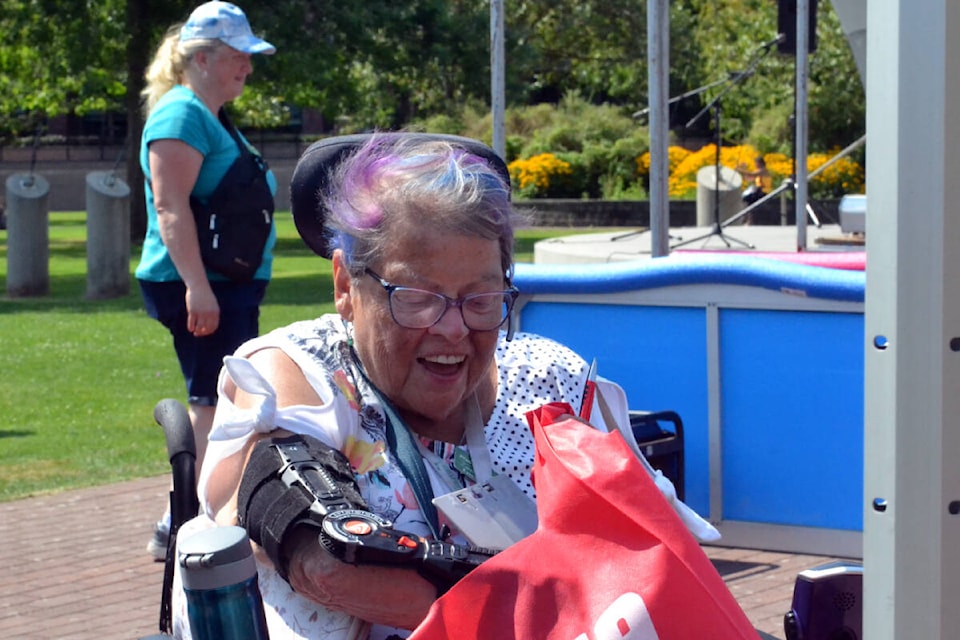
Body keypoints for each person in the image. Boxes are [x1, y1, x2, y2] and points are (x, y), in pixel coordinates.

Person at [167, 133, 635, 639]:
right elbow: (322, 559)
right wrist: (558, 607)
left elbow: (651, 542)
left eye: (481, 299)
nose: (453, 328)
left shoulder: (550, 380)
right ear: (346, 286)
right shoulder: (300, 371)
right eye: (416, 298)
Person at [135, 1, 277, 561]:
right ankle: (180, 521)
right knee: (212, 402)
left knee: (225, 398)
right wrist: (198, 286)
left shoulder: (207, 115)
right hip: (202, 286)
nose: (247, 66)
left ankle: (196, 514)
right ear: (201, 57)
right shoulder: (181, 115)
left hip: (223, 285)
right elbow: (170, 208)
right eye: (239, 55)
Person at [736, 155, 772, 224]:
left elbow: (752, 174)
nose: (755, 164)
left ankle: (749, 219)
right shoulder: (758, 171)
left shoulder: (763, 170)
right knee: (746, 198)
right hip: (758, 191)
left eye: (756, 163)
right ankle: (748, 218)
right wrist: (743, 168)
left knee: (750, 198)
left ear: (760, 163)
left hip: (764, 192)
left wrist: (740, 169)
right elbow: (749, 178)